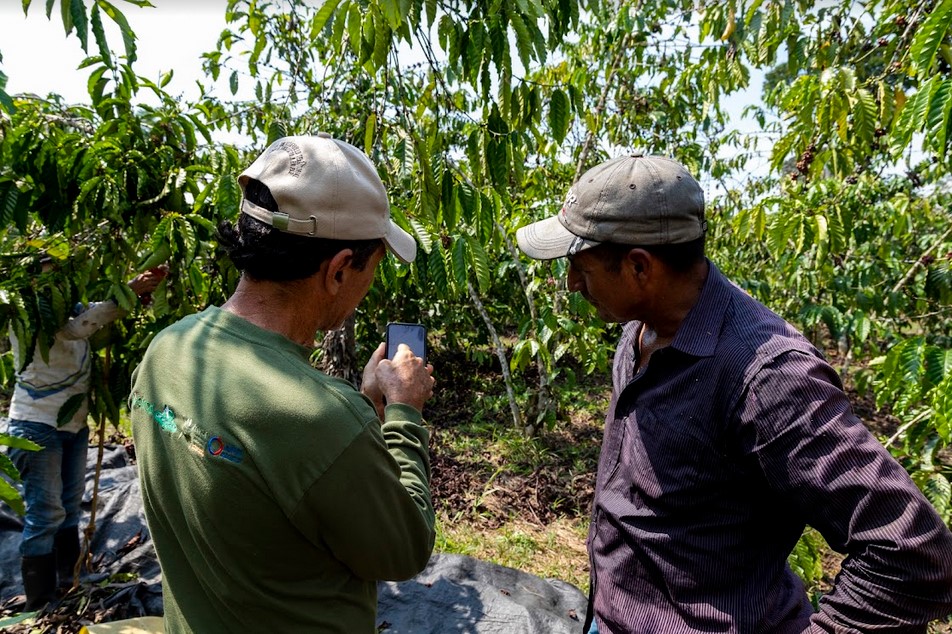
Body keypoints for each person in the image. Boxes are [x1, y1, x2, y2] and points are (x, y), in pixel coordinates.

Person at [515, 153, 952, 633]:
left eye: (582, 268)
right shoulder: (642, 330)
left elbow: (913, 554)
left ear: (640, 267)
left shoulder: (768, 377)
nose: (572, 283)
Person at [128, 133, 436, 633]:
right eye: (372, 268)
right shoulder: (320, 419)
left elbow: (273, 481)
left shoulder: (168, 348)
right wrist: (404, 412)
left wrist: (360, 412)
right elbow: (405, 549)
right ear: (338, 270)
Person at [6, 264, 167, 611]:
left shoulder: (71, 307)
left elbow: (88, 314)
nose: (59, 284)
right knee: (45, 513)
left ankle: (69, 580)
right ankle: (40, 600)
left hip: (73, 425)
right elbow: (77, 329)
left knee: (68, 504)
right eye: (49, 277)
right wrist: (126, 293)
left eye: (62, 276)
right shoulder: (32, 314)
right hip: (37, 425)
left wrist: (132, 293)